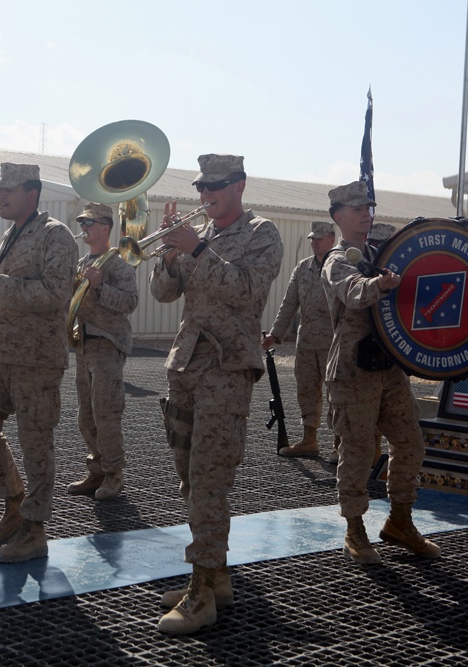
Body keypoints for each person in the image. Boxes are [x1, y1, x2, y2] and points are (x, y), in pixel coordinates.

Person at [150, 154, 283, 634]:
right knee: (189, 475)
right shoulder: (198, 233)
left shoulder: (262, 232)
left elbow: (248, 290)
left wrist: (199, 251)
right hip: (185, 365)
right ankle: (217, 575)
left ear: (240, 185)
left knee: (209, 478)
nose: (207, 194)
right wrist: (169, 257)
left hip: (226, 367)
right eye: (203, 185)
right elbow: (164, 293)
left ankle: (202, 591)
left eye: (218, 185)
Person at [0, 163, 79, 564]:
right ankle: (14, 504)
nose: (0, 197)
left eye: (8, 190)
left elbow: (56, 293)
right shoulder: (10, 234)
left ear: (33, 192)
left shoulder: (56, 235)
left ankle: (35, 530)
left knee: (35, 444)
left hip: (36, 360)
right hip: (0, 355)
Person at [322, 180, 441, 565]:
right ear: (339, 217)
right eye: (358, 209)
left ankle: (400, 521)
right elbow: (355, 292)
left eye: (369, 207)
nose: (366, 214)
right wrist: (382, 284)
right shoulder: (337, 260)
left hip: (388, 366)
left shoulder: (380, 252)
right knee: (356, 451)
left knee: (410, 442)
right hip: (353, 368)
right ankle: (355, 531)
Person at [67, 202, 139, 501]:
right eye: (83, 223)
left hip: (107, 344)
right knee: (86, 415)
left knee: (106, 412)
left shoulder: (118, 264)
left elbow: (129, 302)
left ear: (106, 228)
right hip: (85, 344)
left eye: (90, 223)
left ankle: (114, 474)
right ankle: (97, 469)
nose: (84, 228)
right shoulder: (83, 262)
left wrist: (99, 287)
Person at [262, 220, 339, 461]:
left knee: (336, 393)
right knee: (306, 389)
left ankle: (340, 442)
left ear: (331, 239)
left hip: (334, 342)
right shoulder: (303, 268)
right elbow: (289, 304)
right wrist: (275, 333)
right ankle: (310, 439)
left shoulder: (342, 267)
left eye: (319, 237)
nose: (314, 242)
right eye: (312, 238)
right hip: (306, 342)